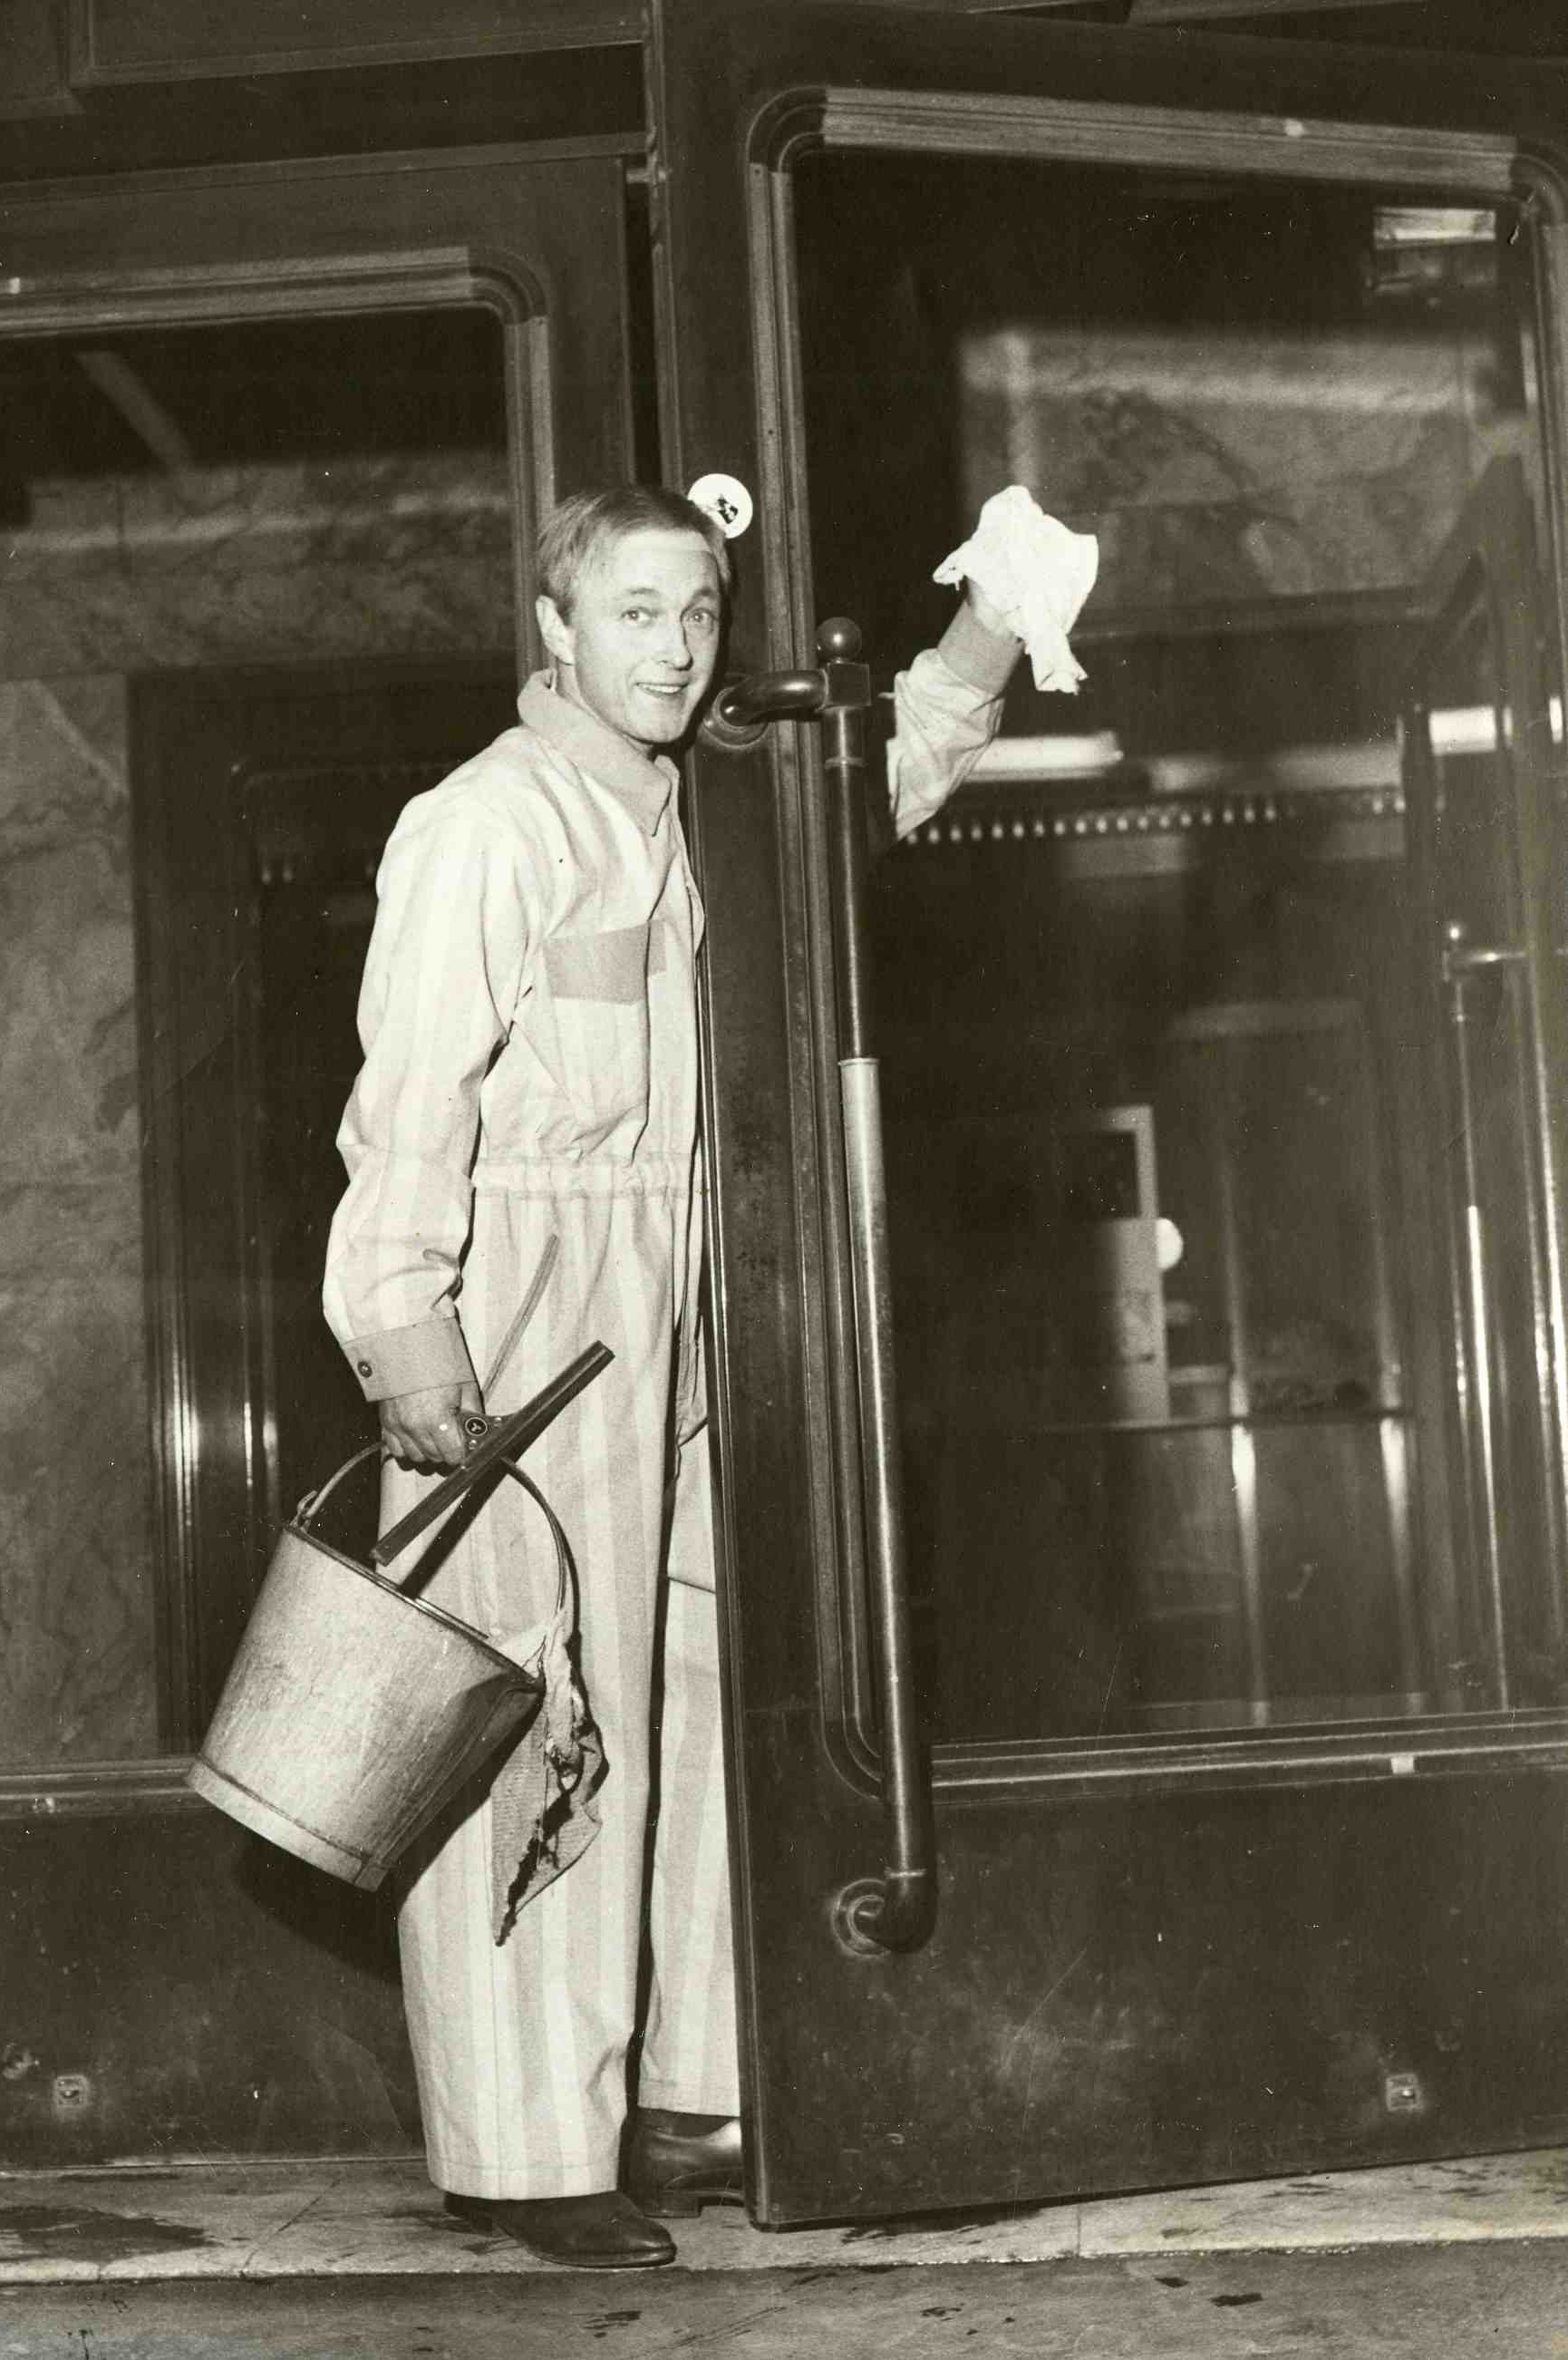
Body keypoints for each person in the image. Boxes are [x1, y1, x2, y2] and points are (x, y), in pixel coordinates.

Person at [323, 484, 1031, 2269]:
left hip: (711, 1287)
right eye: (634, 613)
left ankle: (691, 2093)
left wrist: (991, 628)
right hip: (532, 1298)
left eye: (698, 612)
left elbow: (869, 796)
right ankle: (522, 2149)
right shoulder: (485, 821)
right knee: (536, 1707)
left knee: (715, 1684)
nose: (675, 647)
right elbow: (406, 1101)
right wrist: (404, 1330)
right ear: (554, 627)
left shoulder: (705, 802)